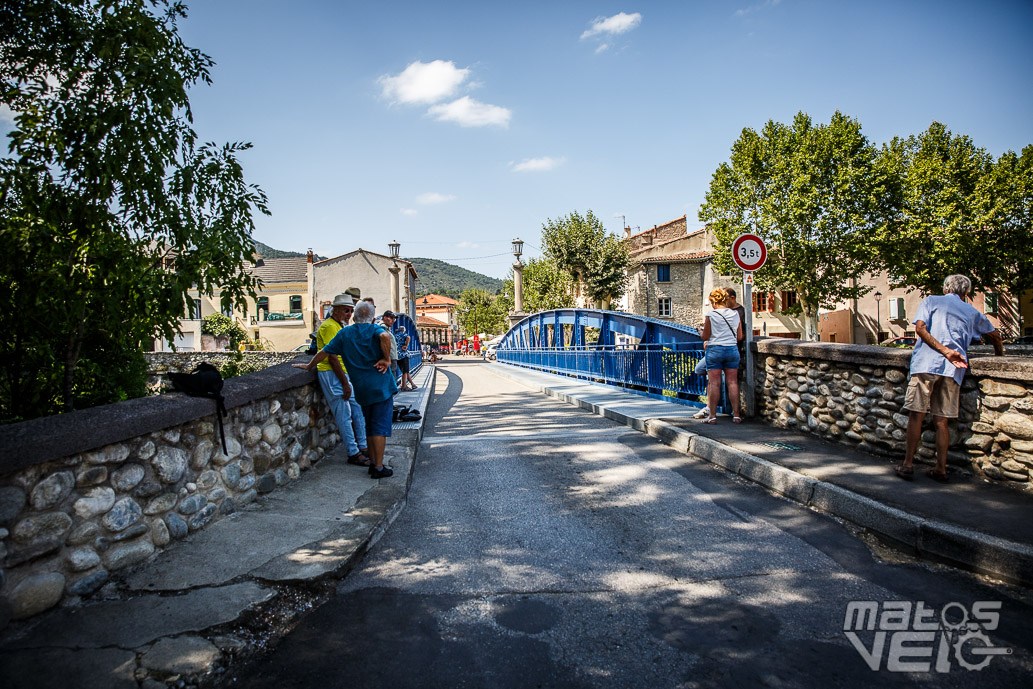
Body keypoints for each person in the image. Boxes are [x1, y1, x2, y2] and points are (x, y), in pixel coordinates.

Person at [894, 275, 1004, 483]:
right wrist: (1000, 360)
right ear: (966, 292)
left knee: (916, 415)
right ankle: (940, 469)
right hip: (954, 369)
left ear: (945, 288)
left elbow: (920, 328)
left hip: (926, 363)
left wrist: (944, 350)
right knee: (942, 421)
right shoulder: (971, 311)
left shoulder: (931, 301)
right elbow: (996, 336)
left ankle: (908, 465)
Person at [294, 301, 399, 479]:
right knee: (379, 428)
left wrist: (309, 365)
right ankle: (379, 467)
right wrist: (386, 359)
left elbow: (325, 351)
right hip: (381, 387)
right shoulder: (374, 330)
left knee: (368, 426)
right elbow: (385, 337)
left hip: (361, 388)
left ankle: (373, 463)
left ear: (355, 316)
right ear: (373, 318)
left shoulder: (345, 333)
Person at [314, 294, 368, 466]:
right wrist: (345, 383)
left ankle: (363, 445)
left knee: (357, 410)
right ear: (335, 309)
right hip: (332, 374)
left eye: (351, 311)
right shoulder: (330, 326)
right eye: (346, 310)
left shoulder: (338, 326)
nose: (349, 314)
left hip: (342, 374)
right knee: (344, 414)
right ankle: (353, 452)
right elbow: (332, 357)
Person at [701, 287, 744, 424]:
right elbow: (740, 336)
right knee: (732, 383)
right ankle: (736, 415)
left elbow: (706, 336)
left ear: (713, 301)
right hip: (732, 350)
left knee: (714, 383)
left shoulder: (711, 315)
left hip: (715, 350)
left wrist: (700, 332)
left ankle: (712, 416)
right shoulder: (735, 314)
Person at [383, 311, 416, 391]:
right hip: (402, 355)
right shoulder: (383, 329)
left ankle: (411, 384)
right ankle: (404, 386)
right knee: (405, 371)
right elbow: (408, 337)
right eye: (391, 318)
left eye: (394, 319)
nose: (393, 320)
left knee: (403, 371)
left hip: (397, 355)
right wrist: (406, 345)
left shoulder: (395, 334)